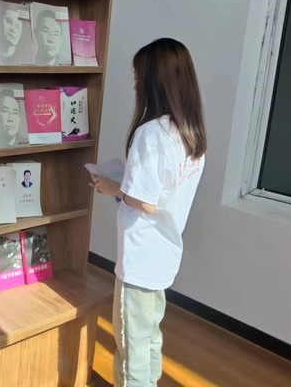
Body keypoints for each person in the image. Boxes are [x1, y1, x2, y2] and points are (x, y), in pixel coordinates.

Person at [89, 38, 207, 387]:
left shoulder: (151, 134)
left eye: (138, 75)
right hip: (165, 252)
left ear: (155, 80)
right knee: (150, 336)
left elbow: (146, 201)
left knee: (131, 348)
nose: (135, 83)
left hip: (140, 257)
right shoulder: (190, 133)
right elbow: (163, 194)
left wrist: (112, 187)